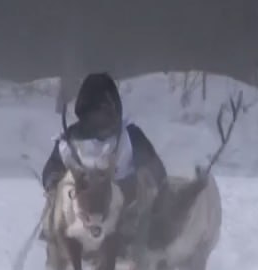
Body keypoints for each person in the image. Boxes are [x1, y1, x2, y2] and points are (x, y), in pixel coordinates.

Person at [39, 72, 169, 209]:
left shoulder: (130, 137)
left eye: (104, 111)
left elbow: (155, 170)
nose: (99, 117)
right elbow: (53, 167)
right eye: (94, 111)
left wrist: (144, 180)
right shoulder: (69, 140)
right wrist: (54, 184)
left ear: (114, 110)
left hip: (127, 209)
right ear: (84, 112)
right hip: (77, 209)